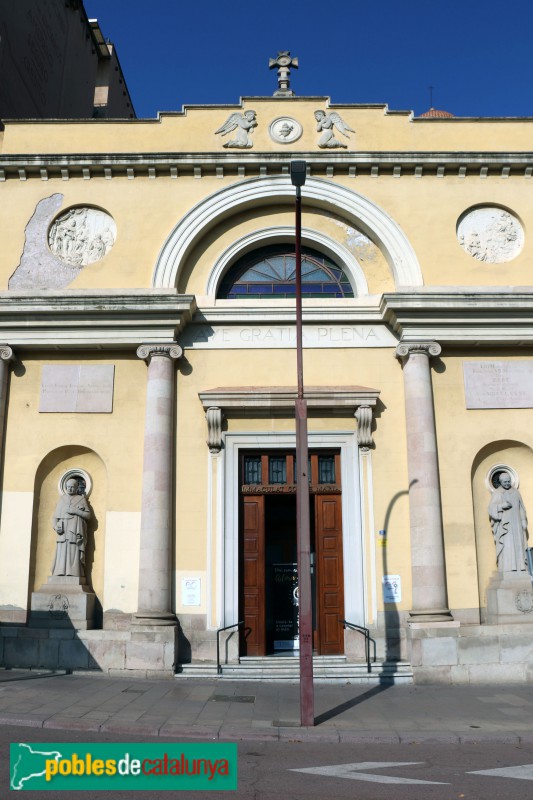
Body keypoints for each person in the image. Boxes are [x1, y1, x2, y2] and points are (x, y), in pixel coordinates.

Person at [488, 472, 529, 573]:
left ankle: (521, 567)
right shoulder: (498, 493)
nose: (507, 483)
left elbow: (521, 508)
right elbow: (491, 508)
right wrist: (501, 506)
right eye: (505, 482)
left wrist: (523, 520)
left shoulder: (516, 492)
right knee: (507, 546)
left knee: (519, 545)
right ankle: (508, 569)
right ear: (501, 482)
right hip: (505, 525)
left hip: (517, 524)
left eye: (508, 481)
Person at [51, 478, 91, 578]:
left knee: (73, 551)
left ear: (76, 488)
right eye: (68, 487)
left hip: (74, 529)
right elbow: (55, 517)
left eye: (72, 487)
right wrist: (55, 527)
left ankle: (74, 572)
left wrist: (75, 511)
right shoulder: (62, 499)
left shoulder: (81, 499)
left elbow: (88, 515)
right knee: (62, 552)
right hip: (62, 531)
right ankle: (59, 572)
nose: (70, 489)